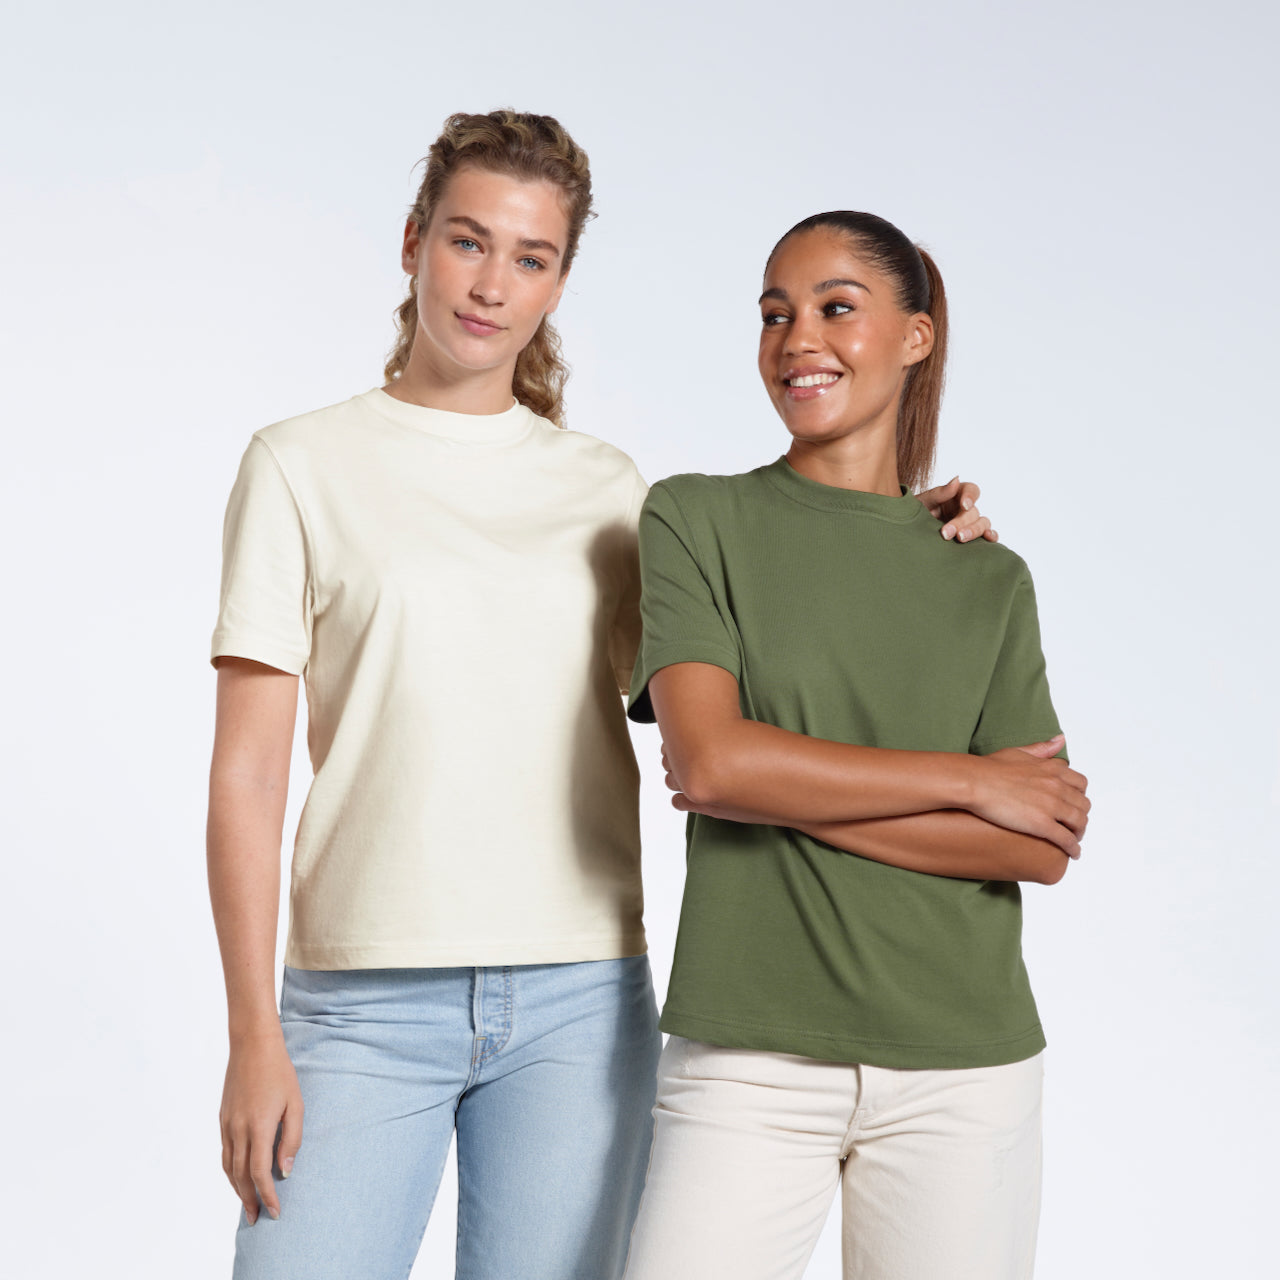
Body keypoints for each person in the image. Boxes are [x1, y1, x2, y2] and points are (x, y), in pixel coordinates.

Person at [207, 110, 997, 1279]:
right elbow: (249, 774)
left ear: (559, 280)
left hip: (579, 1002)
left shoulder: (609, 492)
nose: (491, 285)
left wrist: (898, 534)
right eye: (468, 243)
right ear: (415, 239)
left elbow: (751, 662)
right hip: (360, 1002)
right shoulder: (299, 463)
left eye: (530, 258)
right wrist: (252, 1034)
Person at [621, 211, 1088, 1280]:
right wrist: (969, 784)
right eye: (774, 315)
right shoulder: (695, 519)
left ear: (914, 337)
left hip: (964, 1067)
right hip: (746, 1054)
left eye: (836, 308)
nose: (797, 340)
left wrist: (774, 781)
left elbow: (1038, 840)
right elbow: (710, 763)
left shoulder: (983, 575)